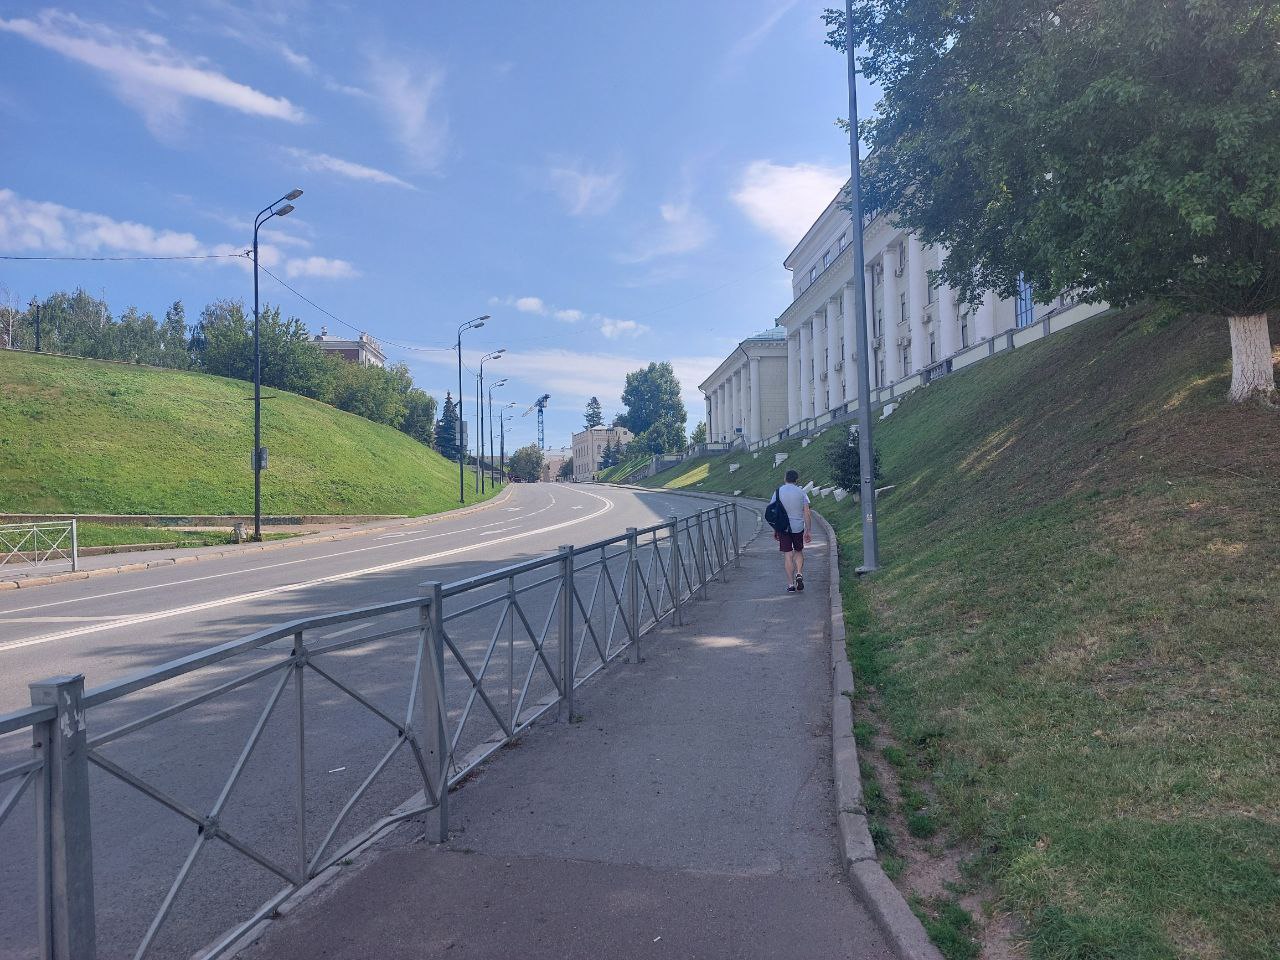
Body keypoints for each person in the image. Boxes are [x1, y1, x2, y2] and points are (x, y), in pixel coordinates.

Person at [769, 469, 811, 592]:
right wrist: (808, 530)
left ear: (785, 478)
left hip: (783, 528)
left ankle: (791, 585)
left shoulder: (778, 492)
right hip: (798, 527)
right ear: (796, 480)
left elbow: (773, 512)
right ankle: (799, 573)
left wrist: (775, 529)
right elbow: (807, 513)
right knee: (798, 551)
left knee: (788, 554)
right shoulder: (802, 493)